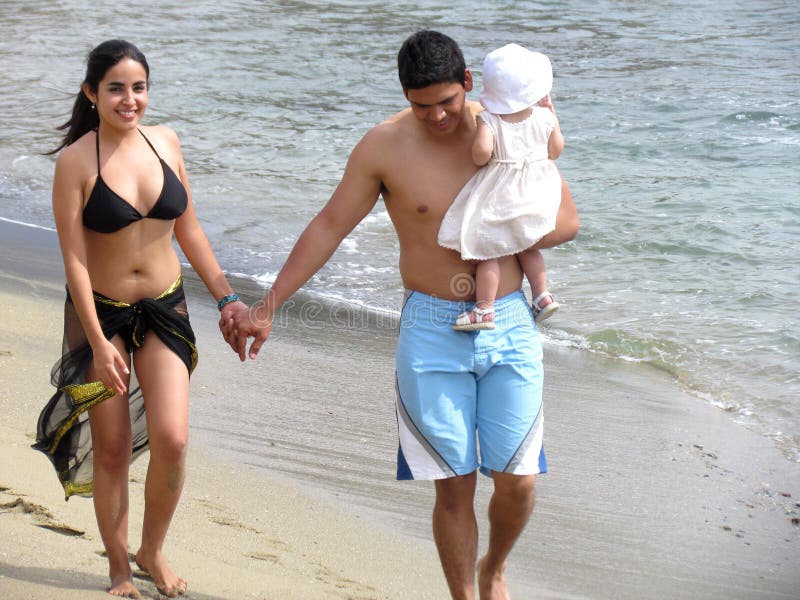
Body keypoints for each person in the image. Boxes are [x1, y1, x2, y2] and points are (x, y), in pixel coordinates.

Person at [223, 30, 579, 600]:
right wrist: (267, 309)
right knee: (453, 486)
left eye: (447, 101)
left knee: (519, 481)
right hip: (431, 329)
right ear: (404, 97)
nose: (436, 116)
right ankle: (467, 594)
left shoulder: (509, 126)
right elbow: (328, 227)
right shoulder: (384, 147)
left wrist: (494, 228)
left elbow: (566, 221)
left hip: (508, 320)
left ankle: (495, 567)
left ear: (468, 83)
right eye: (421, 105)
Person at [33, 39, 244, 599]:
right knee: (112, 447)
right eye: (116, 88)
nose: (130, 99)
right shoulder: (77, 161)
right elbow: (74, 261)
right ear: (92, 93)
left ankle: (152, 548)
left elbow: (190, 230)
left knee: (173, 438)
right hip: (100, 313)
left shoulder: (166, 142)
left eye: (139, 87)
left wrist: (227, 298)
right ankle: (119, 568)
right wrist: (99, 343)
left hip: (165, 305)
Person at [438, 43, 564, 331]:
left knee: (488, 250)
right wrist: (552, 116)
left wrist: (481, 149)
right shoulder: (544, 116)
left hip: (503, 192)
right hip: (537, 192)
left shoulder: (490, 119)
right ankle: (543, 295)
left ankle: (484, 309)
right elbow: (555, 150)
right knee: (528, 246)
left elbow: (481, 154)